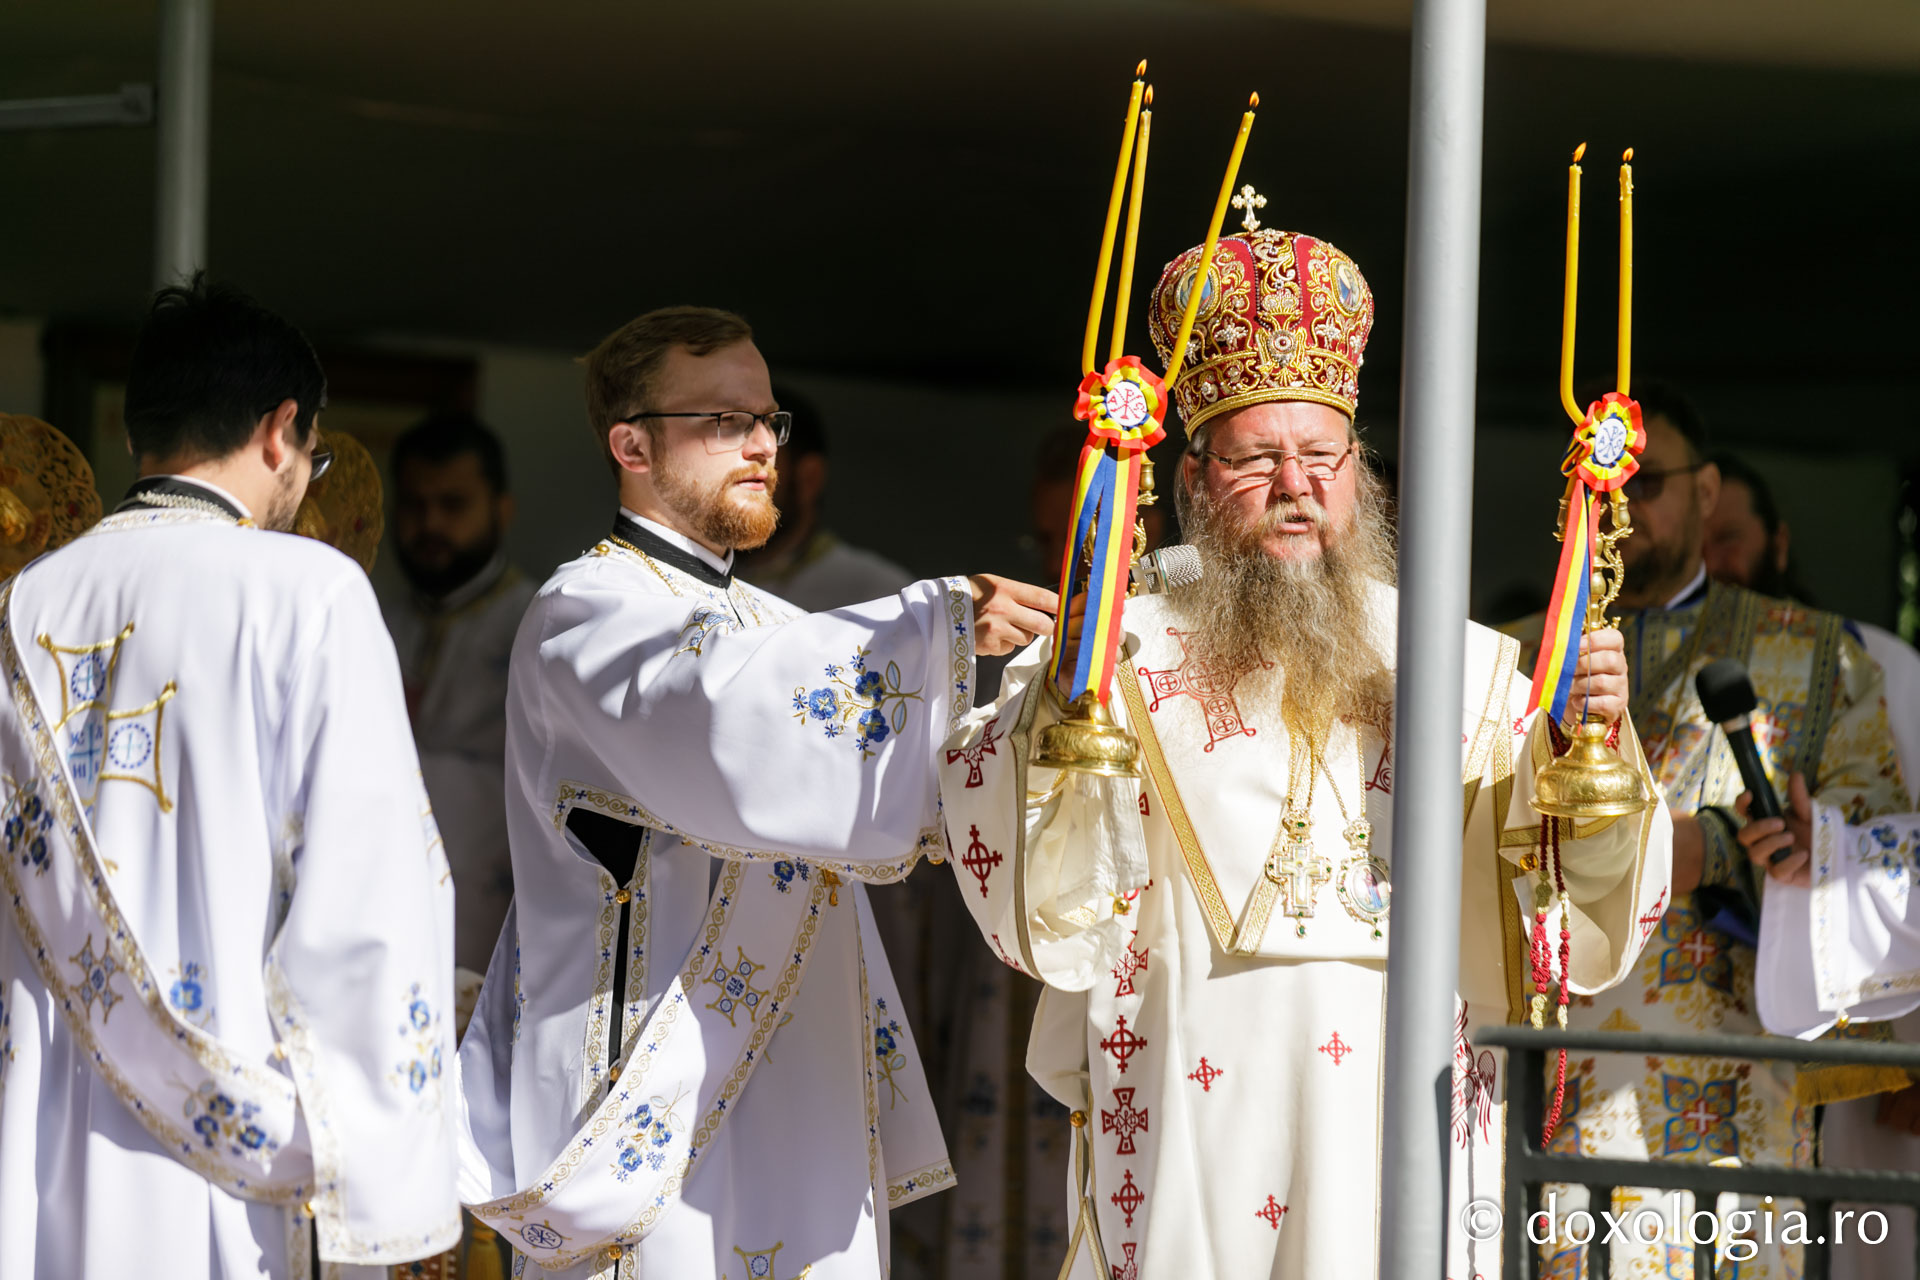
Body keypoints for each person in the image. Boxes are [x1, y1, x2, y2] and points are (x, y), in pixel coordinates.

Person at [939, 219, 1672, 1280]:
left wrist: (1585, 744)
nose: (1297, 485)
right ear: (1194, 473)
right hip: (1191, 1066)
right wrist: (1049, 718)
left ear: (1359, 471)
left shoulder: (1461, 667)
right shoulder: (1112, 644)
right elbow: (1009, 835)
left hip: (1399, 1073)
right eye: (1259, 459)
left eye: (1322, 456)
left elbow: (1561, 903)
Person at [452, 306, 1057, 1279]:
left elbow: (912, 784)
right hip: (652, 1119)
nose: (764, 444)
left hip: (805, 1105)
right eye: (725, 419)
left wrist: (1055, 718)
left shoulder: (775, 622)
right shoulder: (584, 612)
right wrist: (939, 619)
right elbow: (722, 716)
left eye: (769, 418)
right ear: (632, 442)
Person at [0, 278, 458, 1278]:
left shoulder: (25, 599)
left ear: (136, 433)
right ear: (280, 427)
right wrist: (383, 1178)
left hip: (41, 1116)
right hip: (228, 1144)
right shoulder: (310, 591)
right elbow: (372, 896)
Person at [1506, 383, 1907, 1279]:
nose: (1621, 508)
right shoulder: (1506, 657)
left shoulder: (1820, 655)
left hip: (1733, 1093)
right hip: (1547, 1083)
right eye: (1597, 488)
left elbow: (1885, 841)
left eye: (1643, 482)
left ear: (1708, 491)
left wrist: (1773, 849)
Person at [1705, 452, 1920, 1279]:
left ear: (1780, 542)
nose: (1719, 564)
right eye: (1706, 544)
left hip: (1875, 1031)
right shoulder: (1683, 669)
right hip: (1730, 1028)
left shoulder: (1874, 663)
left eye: (1734, 539)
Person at [381, 411, 536, 973]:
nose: (430, 526)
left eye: (453, 506)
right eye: (415, 507)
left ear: (501, 509)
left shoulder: (539, 625)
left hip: (492, 910)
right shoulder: (376, 619)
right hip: (384, 896)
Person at [734, 387, 914, 611]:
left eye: (761, 465)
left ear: (809, 478)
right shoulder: (698, 577)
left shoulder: (880, 595)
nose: (741, 479)